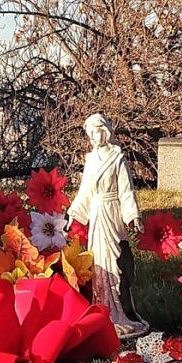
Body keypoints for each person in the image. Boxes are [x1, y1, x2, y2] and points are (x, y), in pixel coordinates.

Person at [67, 113, 149, 338]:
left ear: (105, 131)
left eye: (96, 131)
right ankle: (103, 307)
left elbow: (126, 190)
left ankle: (121, 311)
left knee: (115, 258)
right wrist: (73, 214)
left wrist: (133, 216)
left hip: (112, 211)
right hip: (96, 211)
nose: (93, 137)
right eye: (90, 133)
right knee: (98, 259)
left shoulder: (117, 158)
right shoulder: (91, 159)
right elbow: (85, 191)